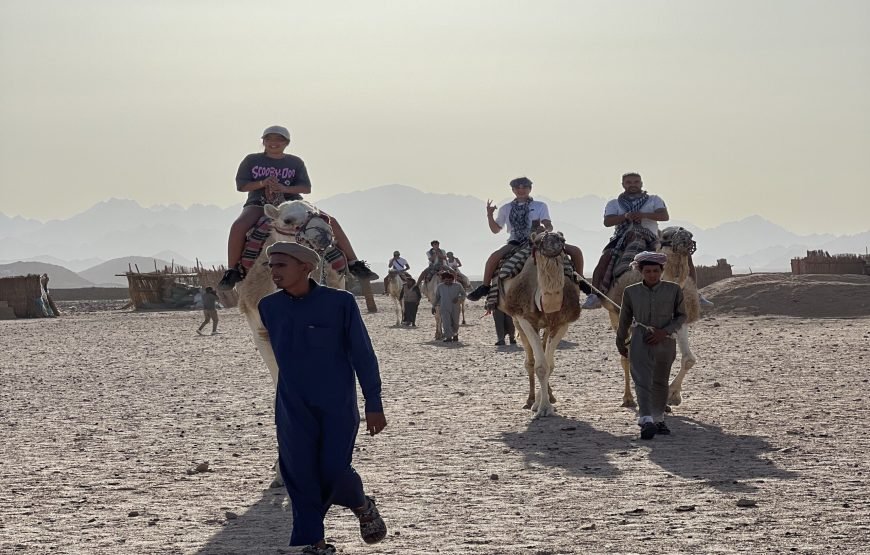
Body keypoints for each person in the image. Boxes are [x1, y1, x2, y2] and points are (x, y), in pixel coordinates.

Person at [257, 241, 388, 554]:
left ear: (306, 267)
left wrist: (374, 403)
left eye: (281, 265)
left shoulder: (340, 303)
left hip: (336, 404)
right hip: (291, 405)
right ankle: (314, 543)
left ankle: (361, 503)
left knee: (333, 469)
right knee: (298, 472)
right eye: (271, 266)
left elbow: (363, 355)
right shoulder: (268, 307)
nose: (274, 271)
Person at [219, 125, 378, 290]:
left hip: (294, 204)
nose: (274, 143)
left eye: (279, 140)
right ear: (263, 141)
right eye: (269, 139)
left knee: (331, 221)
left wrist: (284, 188)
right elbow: (242, 185)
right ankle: (232, 270)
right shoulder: (251, 160)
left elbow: (305, 188)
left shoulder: (295, 162)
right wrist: (262, 183)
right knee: (238, 227)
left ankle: (354, 263)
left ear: (286, 143)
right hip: (259, 202)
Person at [582, 172, 713, 309]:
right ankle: (595, 295)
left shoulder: (654, 200)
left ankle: (694, 293)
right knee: (605, 259)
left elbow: (664, 216)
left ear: (641, 183)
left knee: (684, 256)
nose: (633, 185)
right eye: (629, 182)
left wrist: (642, 215)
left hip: (652, 237)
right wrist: (626, 216)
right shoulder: (614, 203)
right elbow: (608, 221)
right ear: (623, 185)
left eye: (636, 182)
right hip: (623, 237)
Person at [467, 177, 590, 301]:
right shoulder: (505, 208)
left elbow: (548, 224)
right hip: (516, 241)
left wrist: (545, 228)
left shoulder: (540, 206)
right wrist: (489, 215)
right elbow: (495, 230)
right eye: (517, 187)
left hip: (539, 240)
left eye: (524, 187)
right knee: (494, 257)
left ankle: (581, 280)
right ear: (513, 190)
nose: (521, 190)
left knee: (575, 251)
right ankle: (485, 286)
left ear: (530, 189)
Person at [615, 251, 687, 440]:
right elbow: (624, 319)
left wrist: (665, 332)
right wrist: (620, 340)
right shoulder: (631, 292)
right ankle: (646, 419)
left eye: (656, 271)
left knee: (661, 381)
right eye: (648, 271)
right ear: (641, 271)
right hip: (640, 340)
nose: (652, 274)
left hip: (666, 343)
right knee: (642, 380)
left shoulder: (674, 290)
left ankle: (659, 418)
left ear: (662, 270)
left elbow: (681, 316)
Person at [433, 271, 466, 342]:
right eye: (446, 280)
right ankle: (448, 337)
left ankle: (455, 334)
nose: (448, 282)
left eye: (449, 280)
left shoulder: (458, 285)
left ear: (452, 279)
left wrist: (458, 298)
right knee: (446, 322)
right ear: (443, 280)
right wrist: (433, 306)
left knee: (455, 322)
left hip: (455, 307)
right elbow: (437, 297)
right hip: (444, 306)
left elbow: (463, 294)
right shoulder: (440, 286)